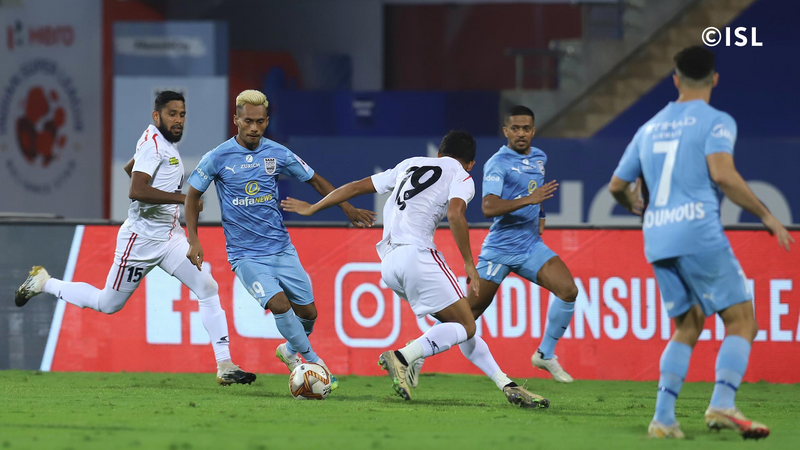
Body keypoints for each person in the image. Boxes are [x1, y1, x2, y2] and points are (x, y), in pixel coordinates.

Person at [282, 130, 549, 408]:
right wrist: (469, 263)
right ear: (471, 163)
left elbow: (355, 186)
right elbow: (455, 214)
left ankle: (505, 384)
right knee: (466, 325)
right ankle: (404, 356)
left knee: (457, 325)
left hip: (389, 263)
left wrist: (313, 208)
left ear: (439, 154)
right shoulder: (462, 176)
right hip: (417, 255)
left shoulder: (409, 164)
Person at [609, 46, 793, 440]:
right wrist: (765, 215)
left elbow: (617, 185)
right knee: (742, 320)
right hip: (696, 231)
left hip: (657, 236)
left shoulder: (648, 128)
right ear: (715, 79)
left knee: (688, 324)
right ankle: (723, 402)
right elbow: (723, 175)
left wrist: (634, 204)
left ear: (675, 79)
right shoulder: (716, 121)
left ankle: (663, 419)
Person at [14, 91, 255, 386]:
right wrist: (183, 198)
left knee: (207, 286)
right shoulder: (154, 144)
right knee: (108, 303)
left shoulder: (160, 142)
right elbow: (136, 190)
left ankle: (225, 365)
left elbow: (132, 169)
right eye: (171, 114)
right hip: (140, 241)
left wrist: (187, 228)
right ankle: (44, 283)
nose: (178, 120)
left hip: (169, 237)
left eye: (182, 115)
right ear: (157, 116)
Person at [184, 89, 376, 390]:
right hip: (246, 255)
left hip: (282, 249)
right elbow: (192, 195)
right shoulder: (217, 157)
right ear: (236, 120)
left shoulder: (278, 153)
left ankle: (288, 350)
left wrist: (347, 207)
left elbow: (315, 180)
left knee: (309, 314)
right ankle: (315, 363)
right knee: (279, 303)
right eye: (248, 121)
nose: (254, 128)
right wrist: (193, 239)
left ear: (267, 120)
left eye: (260, 121)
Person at [408, 105, 575, 387]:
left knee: (568, 290)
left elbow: (534, 191)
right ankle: (418, 352)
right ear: (506, 131)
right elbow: (489, 207)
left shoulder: (539, 157)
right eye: (515, 128)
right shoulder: (498, 163)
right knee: (467, 315)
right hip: (500, 250)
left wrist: (540, 213)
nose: (521, 133)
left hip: (531, 246)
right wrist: (530, 200)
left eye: (526, 128)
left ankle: (545, 354)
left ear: (533, 131)